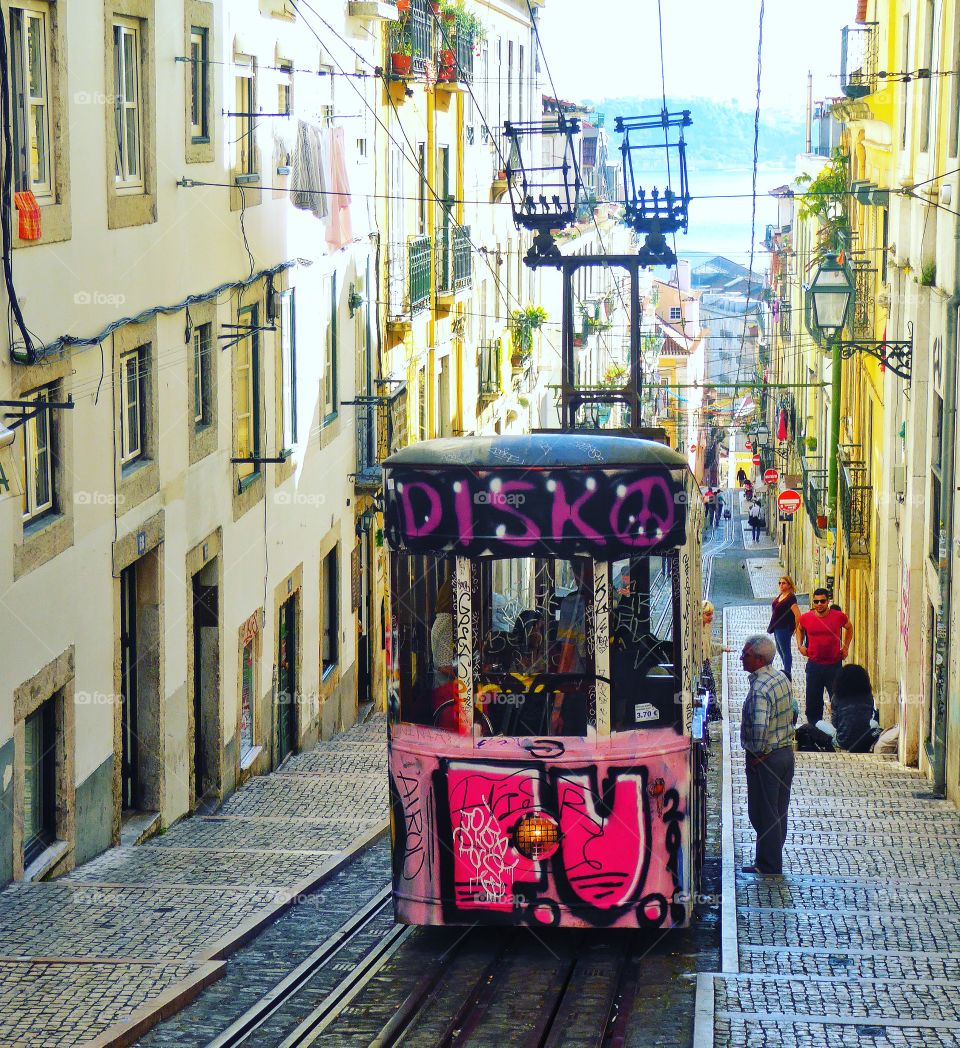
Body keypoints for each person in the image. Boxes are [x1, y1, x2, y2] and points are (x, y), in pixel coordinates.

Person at [739, 634, 796, 875]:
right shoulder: (780, 678)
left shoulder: (761, 689)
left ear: (759, 659)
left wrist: (756, 755)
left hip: (767, 759)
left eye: (747, 654)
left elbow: (760, 728)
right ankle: (767, 860)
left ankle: (769, 865)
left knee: (763, 813)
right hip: (785, 755)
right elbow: (793, 712)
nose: (742, 658)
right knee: (777, 812)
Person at [796, 589, 853, 725]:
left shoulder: (839, 616)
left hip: (834, 666)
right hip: (814, 666)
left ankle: (839, 729)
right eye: (816, 601)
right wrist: (800, 645)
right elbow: (799, 629)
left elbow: (849, 628)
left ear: (828, 601)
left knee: (837, 699)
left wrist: (845, 647)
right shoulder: (806, 618)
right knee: (813, 701)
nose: (819, 604)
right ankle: (814, 730)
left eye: (822, 601)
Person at [832, 664, 880, 752]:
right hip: (864, 740)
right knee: (875, 723)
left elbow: (835, 724)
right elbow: (868, 717)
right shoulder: (868, 697)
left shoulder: (837, 697)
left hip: (842, 741)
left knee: (822, 725)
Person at [767, 575, 801, 680]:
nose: (781, 585)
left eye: (784, 583)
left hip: (784, 627)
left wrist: (796, 628)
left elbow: (797, 614)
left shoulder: (790, 598)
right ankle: (786, 671)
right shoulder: (781, 595)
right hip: (777, 626)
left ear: (789, 585)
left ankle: (787, 674)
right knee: (780, 649)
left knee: (786, 651)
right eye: (780, 583)